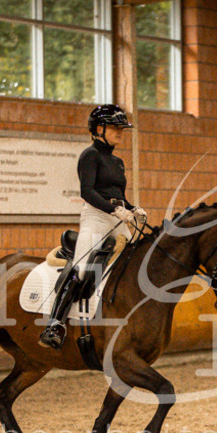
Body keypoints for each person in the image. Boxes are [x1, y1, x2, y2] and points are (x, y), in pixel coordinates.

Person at [39, 104, 146, 350]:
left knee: (137, 260)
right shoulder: (90, 155)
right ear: (99, 129)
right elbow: (88, 191)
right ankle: (54, 324)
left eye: (122, 129)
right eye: (116, 128)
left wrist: (132, 208)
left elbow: (117, 193)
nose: (121, 132)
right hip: (96, 217)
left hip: (118, 218)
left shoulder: (118, 162)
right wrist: (113, 209)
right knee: (82, 267)